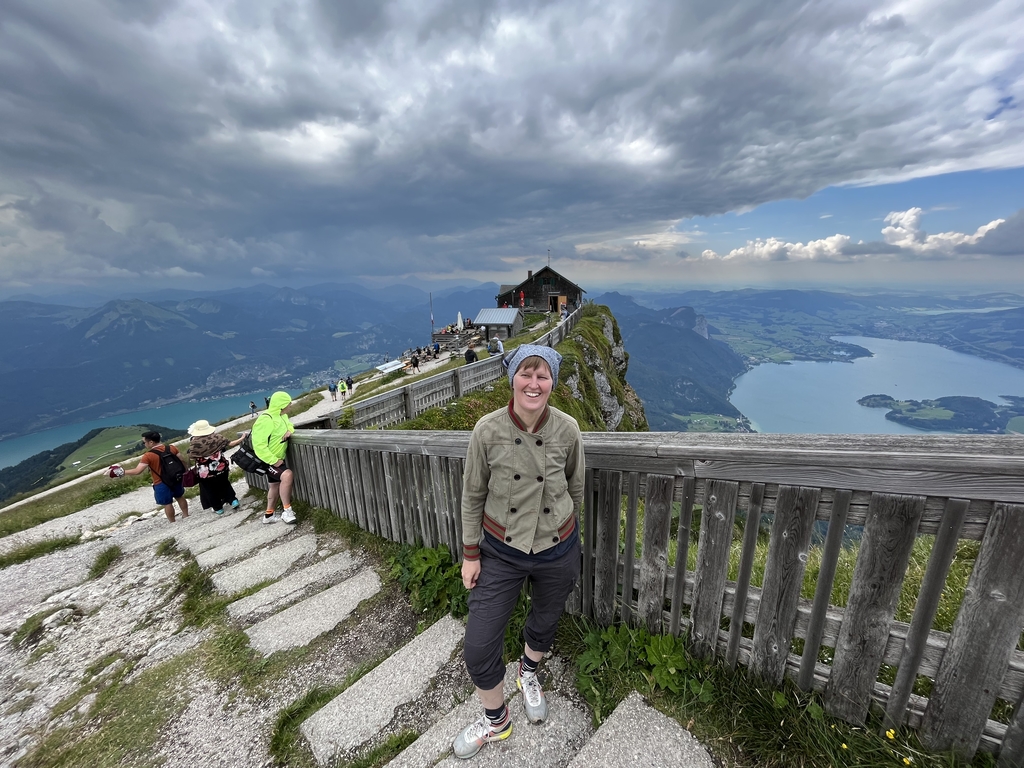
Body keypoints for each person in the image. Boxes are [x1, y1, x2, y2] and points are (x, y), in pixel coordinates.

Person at [453, 345, 584, 759]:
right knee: (478, 646)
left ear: (552, 383)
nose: (534, 383)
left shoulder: (568, 430)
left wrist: (567, 537)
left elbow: (576, 487)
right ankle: (497, 721)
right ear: (512, 379)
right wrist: (470, 554)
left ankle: (528, 673)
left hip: (557, 547)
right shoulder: (487, 430)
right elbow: (472, 496)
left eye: (542, 375)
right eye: (526, 373)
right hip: (500, 550)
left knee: (545, 620)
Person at [120, 431, 189, 523]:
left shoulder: (148, 455)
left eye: (144, 442)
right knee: (179, 496)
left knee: (167, 503)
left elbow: (138, 471)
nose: (144, 444)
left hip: (160, 482)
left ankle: (173, 522)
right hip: (176, 477)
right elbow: (182, 460)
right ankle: (186, 515)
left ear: (151, 442)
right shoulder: (171, 448)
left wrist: (122, 472)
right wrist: (186, 471)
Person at [252, 391, 298, 525]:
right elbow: (259, 445)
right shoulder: (266, 419)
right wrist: (274, 461)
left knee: (274, 485)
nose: (290, 405)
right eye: (288, 403)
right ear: (281, 404)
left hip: (276, 458)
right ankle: (287, 511)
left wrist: (289, 431)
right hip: (269, 460)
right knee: (287, 475)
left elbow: (289, 425)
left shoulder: (282, 416)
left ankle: (269, 515)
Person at [186, 420, 244, 515]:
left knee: (210, 490)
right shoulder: (217, 437)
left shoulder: (194, 443)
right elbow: (231, 444)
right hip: (221, 467)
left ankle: (218, 508)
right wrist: (242, 437)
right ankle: (233, 500)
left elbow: (192, 457)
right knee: (225, 483)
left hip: (205, 472)